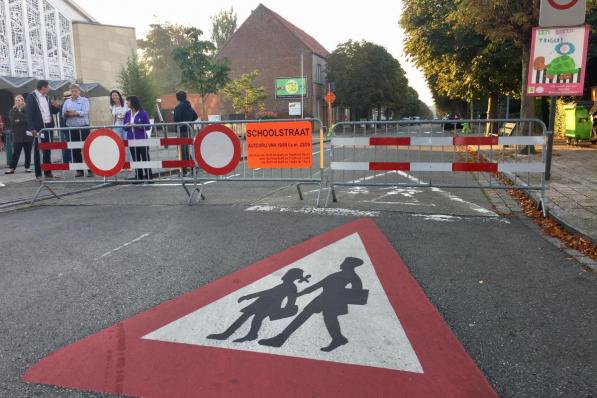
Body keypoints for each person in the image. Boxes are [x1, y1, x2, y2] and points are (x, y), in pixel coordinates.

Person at [259, 257, 369, 352]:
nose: (342, 264)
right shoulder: (337, 274)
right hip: (322, 299)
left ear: (349, 265)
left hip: (333, 301)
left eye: (345, 262)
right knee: (309, 316)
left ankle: (337, 338)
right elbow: (317, 286)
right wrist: (298, 294)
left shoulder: (353, 277)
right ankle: (338, 338)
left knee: (327, 318)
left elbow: (356, 293)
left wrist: (339, 297)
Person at [207, 268, 311, 343]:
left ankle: (235, 335)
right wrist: (248, 296)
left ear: (292, 276)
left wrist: (285, 310)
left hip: (270, 305)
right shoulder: (285, 285)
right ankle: (245, 335)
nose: (286, 274)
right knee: (252, 317)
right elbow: (267, 292)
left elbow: (291, 300)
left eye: (289, 273)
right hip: (262, 302)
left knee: (255, 318)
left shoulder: (291, 287)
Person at [26, 80, 60, 180]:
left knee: (48, 150)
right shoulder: (31, 96)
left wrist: (57, 107)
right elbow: (29, 113)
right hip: (38, 128)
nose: (49, 89)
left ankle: (48, 172)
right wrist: (32, 127)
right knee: (38, 151)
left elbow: (51, 111)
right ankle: (38, 174)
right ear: (43, 87)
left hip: (48, 126)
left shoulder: (47, 97)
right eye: (48, 87)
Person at [62, 83, 92, 177]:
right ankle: (79, 170)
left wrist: (74, 113)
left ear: (79, 91)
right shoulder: (67, 102)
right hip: (72, 128)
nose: (74, 93)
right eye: (72, 91)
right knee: (75, 149)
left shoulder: (84, 100)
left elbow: (85, 111)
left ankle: (91, 170)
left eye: (75, 91)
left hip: (83, 128)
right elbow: (63, 114)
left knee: (87, 149)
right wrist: (67, 114)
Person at [124, 95, 153, 181]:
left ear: (133, 102)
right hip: (131, 139)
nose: (127, 103)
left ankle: (148, 176)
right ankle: (139, 176)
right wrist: (126, 125)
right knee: (135, 158)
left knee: (145, 158)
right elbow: (124, 127)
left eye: (128, 101)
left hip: (141, 138)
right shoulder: (127, 113)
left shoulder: (143, 113)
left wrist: (137, 126)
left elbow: (148, 127)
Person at [4, 95, 33, 174]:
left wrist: (19, 120)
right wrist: (23, 120)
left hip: (28, 135)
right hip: (17, 135)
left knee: (28, 152)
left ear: (23, 101)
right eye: (16, 100)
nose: (17, 102)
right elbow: (13, 122)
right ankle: (12, 168)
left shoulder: (28, 109)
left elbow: (30, 120)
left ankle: (27, 167)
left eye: (19, 100)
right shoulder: (12, 111)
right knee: (16, 153)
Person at [173, 91, 198, 175]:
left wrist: (177, 127)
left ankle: (184, 171)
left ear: (177, 98)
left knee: (182, 151)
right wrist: (189, 121)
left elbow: (177, 118)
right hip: (188, 130)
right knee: (186, 150)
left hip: (181, 131)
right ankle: (193, 167)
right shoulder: (189, 106)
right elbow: (195, 116)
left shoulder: (178, 107)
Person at [110, 89, 130, 163]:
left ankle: (128, 163)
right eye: (113, 95)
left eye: (116, 95)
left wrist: (124, 117)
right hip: (117, 127)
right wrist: (113, 127)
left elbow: (129, 114)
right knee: (119, 145)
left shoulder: (125, 104)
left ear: (119, 96)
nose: (114, 96)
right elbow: (113, 117)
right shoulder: (112, 106)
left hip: (126, 126)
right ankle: (122, 163)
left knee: (127, 144)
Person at [59, 90, 71, 164]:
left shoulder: (63, 104)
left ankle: (66, 160)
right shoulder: (66, 104)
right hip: (67, 127)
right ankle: (67, 161)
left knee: (66, 145)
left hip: (64, 127)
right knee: (68, 145)